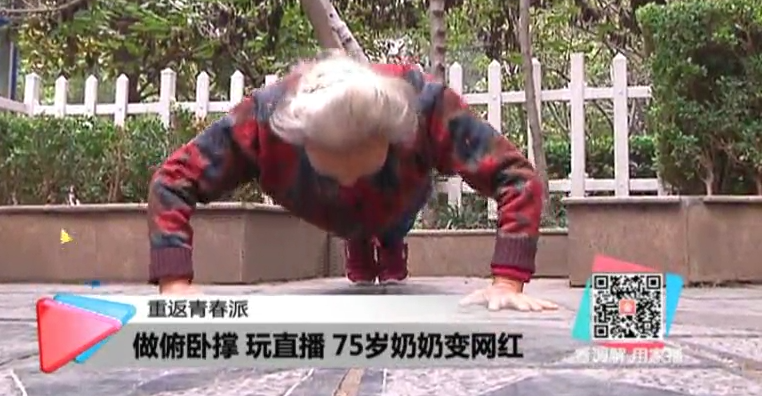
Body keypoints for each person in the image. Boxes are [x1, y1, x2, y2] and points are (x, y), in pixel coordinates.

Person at [148, 51, 558, 312]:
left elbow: (516, 178)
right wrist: (175, 284)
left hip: (398, 195)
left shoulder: (429, 109)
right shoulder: (260, 123)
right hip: (317, 203)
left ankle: (388, 241)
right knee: (355, 230)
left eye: (361, 170)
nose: (348, 182)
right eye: (332, 171)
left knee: (388, 225)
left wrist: (508, 282)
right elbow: (172, 181)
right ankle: (358, 240)